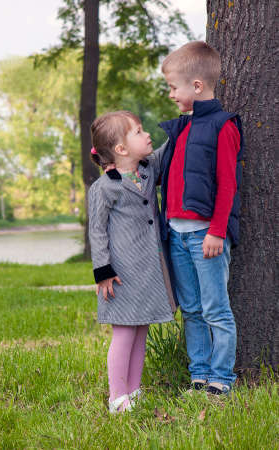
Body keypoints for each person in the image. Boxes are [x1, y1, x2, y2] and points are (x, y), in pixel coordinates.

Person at [158, 41, 244, 395]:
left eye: (172, 87)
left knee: (215, 310)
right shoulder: (180, 128)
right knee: (191, 310)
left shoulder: (223, 126)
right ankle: (199, 373)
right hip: (176, 235)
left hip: (205, 237)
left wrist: (217, 232)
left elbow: (228, 186)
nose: (170, 95)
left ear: (196, 85)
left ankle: (221, 379)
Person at [88, 111, 176, 413]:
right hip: (120, 274)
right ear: (122, 150)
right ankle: (117, 396)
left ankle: (134, 391)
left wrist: (184, 123)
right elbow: (97, 231)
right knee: (124, 334)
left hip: (148, 271)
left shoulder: (148, 170)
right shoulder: (105, 188)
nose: (146, 134)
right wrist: (103, 271)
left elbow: (168, 150)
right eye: (138, 132)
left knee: (141, 332)